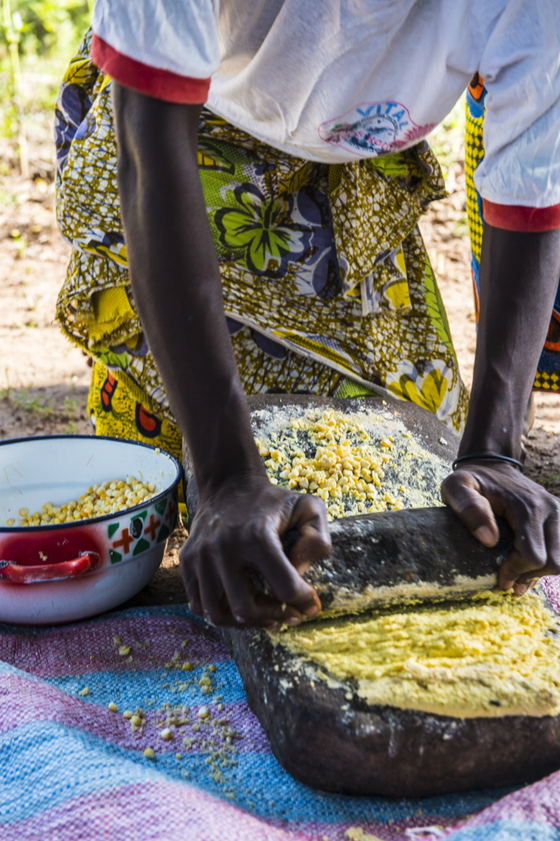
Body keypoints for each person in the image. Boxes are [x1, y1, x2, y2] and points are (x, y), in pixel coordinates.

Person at [55, 1, 560, 631]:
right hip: (187, 139)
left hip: (355, 166)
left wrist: (494, 451)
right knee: (164, 476)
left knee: (394, 469)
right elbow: (150, 152)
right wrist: (226, 474)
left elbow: (532, 194)